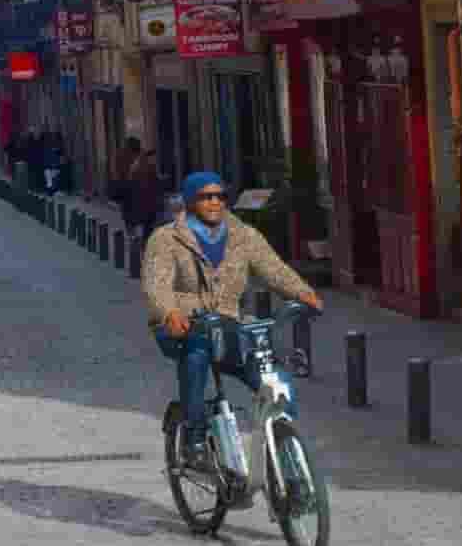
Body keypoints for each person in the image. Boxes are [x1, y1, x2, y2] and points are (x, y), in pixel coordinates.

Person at [142, 172, 322, 495]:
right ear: (189, 201)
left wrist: (303, 293)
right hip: (184, 327)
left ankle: (288, 456)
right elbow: (157, 284)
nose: (214, 202)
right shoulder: (166, 239)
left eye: (220, 196)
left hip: (227, 324)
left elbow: (272, 268)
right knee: (196, 356)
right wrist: (169, 313)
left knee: (270, 377)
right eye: (205, 197)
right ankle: (195, 440)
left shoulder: (242, 235)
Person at [120, 146, 166, 247]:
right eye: (153, 157)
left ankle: (144, 244)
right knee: (148, 224)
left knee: (148, 225)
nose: (155, 159)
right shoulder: (145, 167)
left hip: (144, 202)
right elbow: (149, 184)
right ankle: (144, 245)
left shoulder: (138, 166)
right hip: (146, 202)